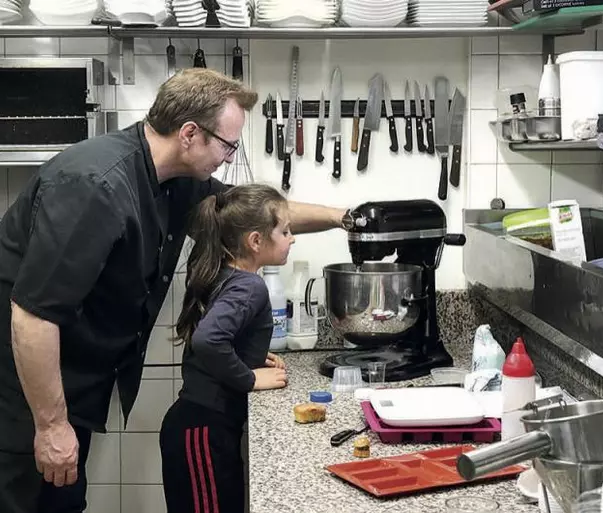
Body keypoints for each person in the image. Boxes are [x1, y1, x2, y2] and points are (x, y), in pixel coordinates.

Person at [0, 68, 357, 513]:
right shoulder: (95, 187)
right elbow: (33, 316)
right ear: (190, 133)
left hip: (65, 384)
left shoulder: (173, 182)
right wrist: (51, 425)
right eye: (228, 144)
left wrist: (346, 216)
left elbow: (258, 216)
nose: (230, 157)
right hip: (21, 395)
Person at [160, 183, 291, 513]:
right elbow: (208, 340)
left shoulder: (223, 273)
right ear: (256, 241)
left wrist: (250, 355)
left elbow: (222, 333)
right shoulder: (250, 286)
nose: (292, 238)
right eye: (285, 231)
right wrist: (249, 378)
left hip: (197, 426)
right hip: (203, 430)